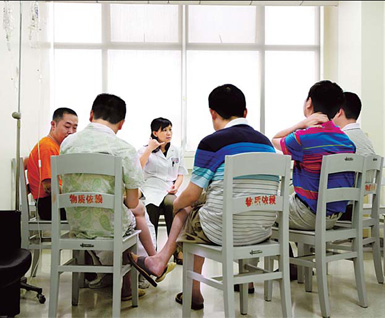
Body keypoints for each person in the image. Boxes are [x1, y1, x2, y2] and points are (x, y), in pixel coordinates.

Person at [128, 84, 278, 310]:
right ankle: (161, 261)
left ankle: (188, 287)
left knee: (188, 209)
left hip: (223, 231)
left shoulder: (212, 142)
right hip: (262, 229)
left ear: (213, 113)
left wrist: (177, 205)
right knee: (202, 206)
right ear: (245, 113)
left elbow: (190, 195)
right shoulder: (266, 143)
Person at [60, 93, 175, 300]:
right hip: (109, 225)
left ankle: (139, 269)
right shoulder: (123, 149)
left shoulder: (67, 144)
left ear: (91, 114)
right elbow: (131, 202)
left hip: (76, 222)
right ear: (121, 124)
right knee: (137, 211)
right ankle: (146, 267)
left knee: (131, 213)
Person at [272, 80, 356, 230]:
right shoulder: (346, 141)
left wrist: (301, 124)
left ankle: (282, 253)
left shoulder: (303, 137)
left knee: (264, 205)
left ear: (309, 102)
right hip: (333, 217)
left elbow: (274, 140)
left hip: (308, 216)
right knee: (287, 199)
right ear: (337, 111)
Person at [138, 117, 187, 264]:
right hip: (151, 188)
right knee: (150, 208)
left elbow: (180, 174)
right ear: (154, 132)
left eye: (170, 129)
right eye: (164, 130)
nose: (168, 133)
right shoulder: (144, 149)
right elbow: (137, 168)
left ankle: (177, 250)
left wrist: (176, 186)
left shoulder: (176, 150)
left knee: (173, 205)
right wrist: (149, 149)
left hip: (169, 189)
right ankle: (151, 252)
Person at [26, 107, 78, 220]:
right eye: (67, 126)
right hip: (49, 206)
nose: (71, 132)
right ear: (53, 125)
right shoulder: (47, 147)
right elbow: (49, 187)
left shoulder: (58, 147)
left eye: (75, 128)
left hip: (56, 202)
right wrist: (77, 191)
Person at [333, 91, 376, 221]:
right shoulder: (366, 141)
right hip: (355, 208)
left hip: (338, 211)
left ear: (339, 111)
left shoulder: (340, 139)